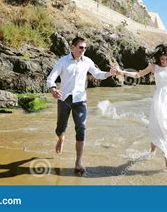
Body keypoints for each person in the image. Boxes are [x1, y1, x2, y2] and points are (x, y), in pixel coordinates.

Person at [46, 36, 117, 173]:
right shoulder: (63, 61)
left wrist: (109, 73)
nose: (83, 50)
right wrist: (53, 89)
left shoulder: (87, 61)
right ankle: (61, 139)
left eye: (85, 48)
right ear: (73, 47)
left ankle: (78, 162)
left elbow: (97, 74)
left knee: (81, 128)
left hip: (80, 100)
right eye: (80, 47)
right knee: (60, 128)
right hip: (64, 99)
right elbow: (51, 78)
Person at [116, 44, 167, 170]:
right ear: (158, 58)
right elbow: (137, 75)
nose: (164, 61)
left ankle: (159, 152)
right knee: (158, 125)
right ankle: (165, 159)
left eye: (166, 58)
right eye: (161, 59)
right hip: (159, 100)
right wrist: (121, 72)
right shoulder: (153, 67)